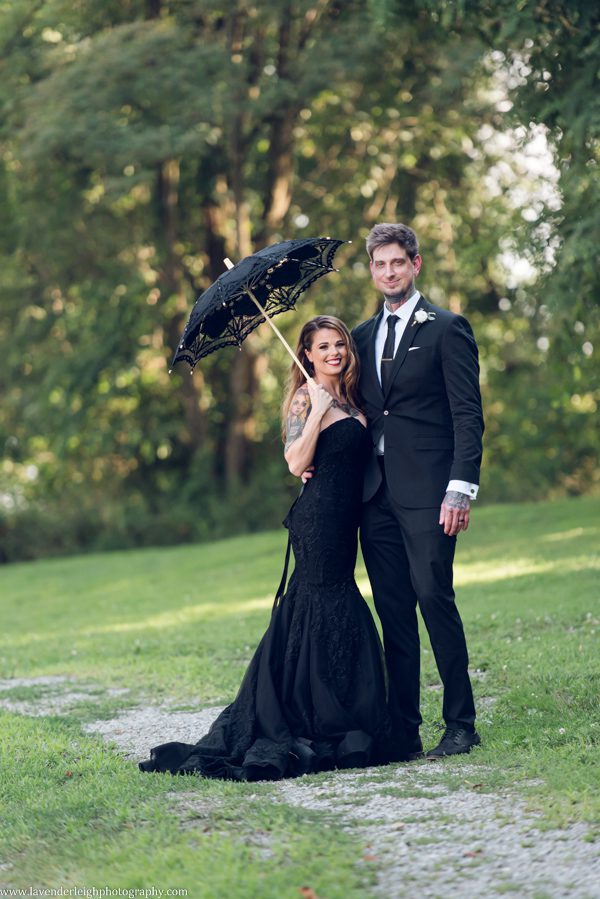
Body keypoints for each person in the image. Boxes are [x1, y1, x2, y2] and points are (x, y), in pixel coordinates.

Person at [139, 315, 408, 780]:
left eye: (339, 343)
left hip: (347, 523)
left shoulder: (350, 396)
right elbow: (295, 462)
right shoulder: (307, 397)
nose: (333, 353)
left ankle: (334, 709)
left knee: (328, 601)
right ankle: (313, 715)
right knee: (323, 602)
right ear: (306, 353)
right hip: (318, 519)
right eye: (322, 346)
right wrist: (320, 411)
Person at [351, 222, 485, 760]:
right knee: (393, 611)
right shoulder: (360, 337)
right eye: (380, 265)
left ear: (416, 264)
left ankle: (461, 725)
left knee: (434, 598)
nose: (389, 272)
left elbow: (467, 415)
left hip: (432, 493)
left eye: (397, 263)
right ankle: (404, 729)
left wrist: (461, 489)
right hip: (374, 495)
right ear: (372, 270)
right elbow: (356, 414)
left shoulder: (447, 328)